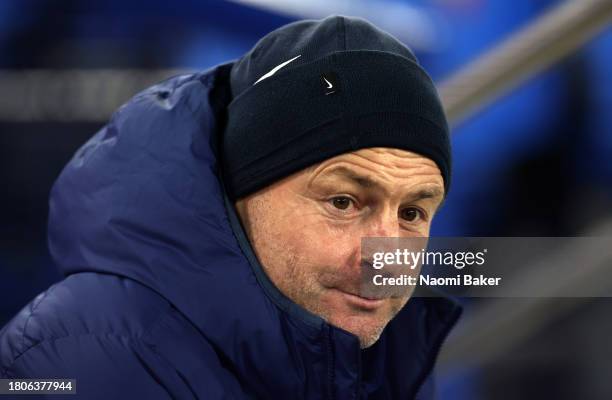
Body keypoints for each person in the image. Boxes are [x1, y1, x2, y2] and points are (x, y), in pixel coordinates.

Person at [0, 15, 460, 399]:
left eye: (412, 213)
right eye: (342, 202)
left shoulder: (378, 358)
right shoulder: (85, 361)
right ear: (241, 192)